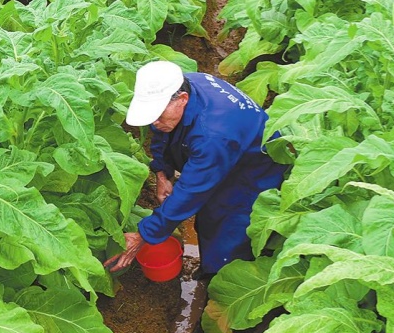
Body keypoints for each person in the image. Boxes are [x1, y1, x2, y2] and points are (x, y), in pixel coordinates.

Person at [104, 61, 288, 279]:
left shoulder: (213, 135)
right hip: (226, 150)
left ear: (182, 99)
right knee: (207, 215)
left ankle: (221, 277)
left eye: (158, 115)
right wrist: (162, 173)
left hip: (253, 170)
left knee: (229, 228)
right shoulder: (184, 85)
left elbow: (191, 192)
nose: (155, 122)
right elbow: (162, 134)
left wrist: (144, 235)